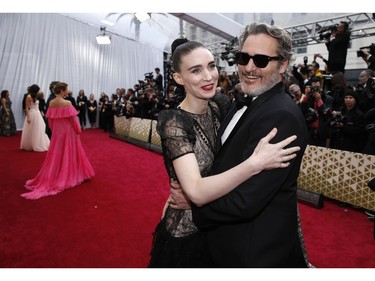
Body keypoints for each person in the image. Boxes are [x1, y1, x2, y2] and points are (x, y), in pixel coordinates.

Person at [148, 39, 301, 268]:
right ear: (179, 78)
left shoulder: (220, 104)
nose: (209, 76)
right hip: (186, 232)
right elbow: (197, 191)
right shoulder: (174, 122)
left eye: (211, 66)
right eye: (196, 70)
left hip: (220, 232)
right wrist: (254, 164)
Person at [21, 82, 95, 200]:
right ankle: (70, 174)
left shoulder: (51, 102)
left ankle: (58, 174)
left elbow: (50, 121)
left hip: (57, 133)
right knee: (69, 153)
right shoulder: (67, 103)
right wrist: (78, 131)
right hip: (68, 133)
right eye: (66, 90)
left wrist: (54, 130)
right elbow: (73, 121)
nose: (67, 92)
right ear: (61, 91)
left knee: (57, 154)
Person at [20, 84, 50, 151]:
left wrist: (41, 112)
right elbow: (27, 108)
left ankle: (38, 143)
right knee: (32, 129)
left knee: (39, 128)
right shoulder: (28, 96)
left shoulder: (36, 96)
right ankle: (31, 144)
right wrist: (28, 117)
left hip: (37, 113)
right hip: (32, 113)